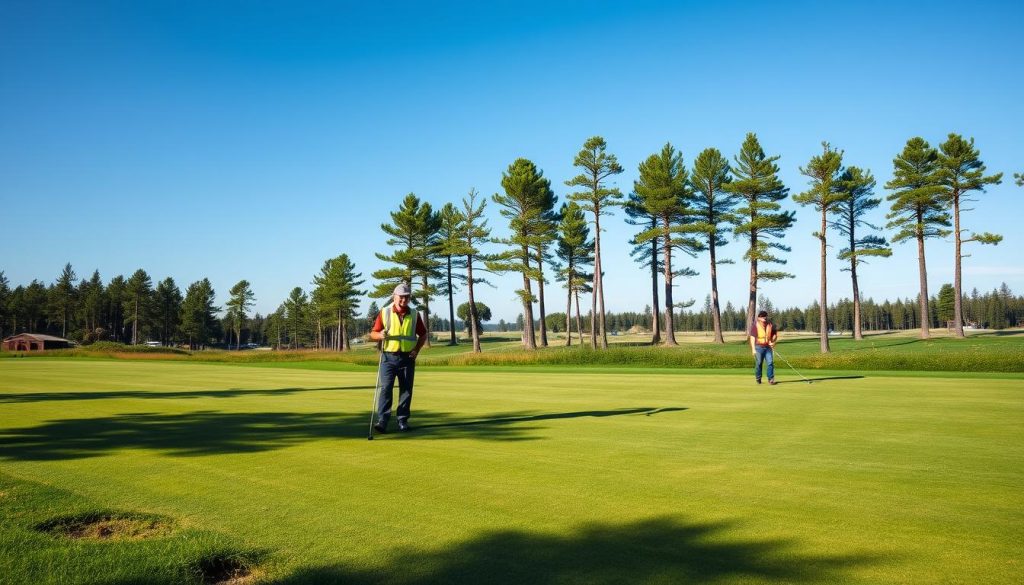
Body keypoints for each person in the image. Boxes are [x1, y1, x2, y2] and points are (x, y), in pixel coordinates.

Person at [369, 282, 428, 432]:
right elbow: (373, 333)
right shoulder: (385, 312)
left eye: (407, 297)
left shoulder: (414, 314)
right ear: (394, 297)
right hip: (388, 358)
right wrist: (380, 335)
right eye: (401, 297)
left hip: (407, 358)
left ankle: (402, 420)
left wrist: (416, 350)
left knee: (406, 390)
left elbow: (423, 334)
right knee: (386, 389)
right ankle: (382, 420)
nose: (404, 300)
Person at [748, 310, 778, 385]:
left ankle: (771, 379)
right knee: (759, 363)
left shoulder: (770, 324)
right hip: (758, 347)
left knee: (770, 362)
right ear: (759, 317)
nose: (764, 317)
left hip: (768, 347)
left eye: (765, 316)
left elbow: (774, 335)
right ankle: (758, 378)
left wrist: (773, 342)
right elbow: (752, 338)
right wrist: (753, 349)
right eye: (762, 316)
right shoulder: (755, 325)